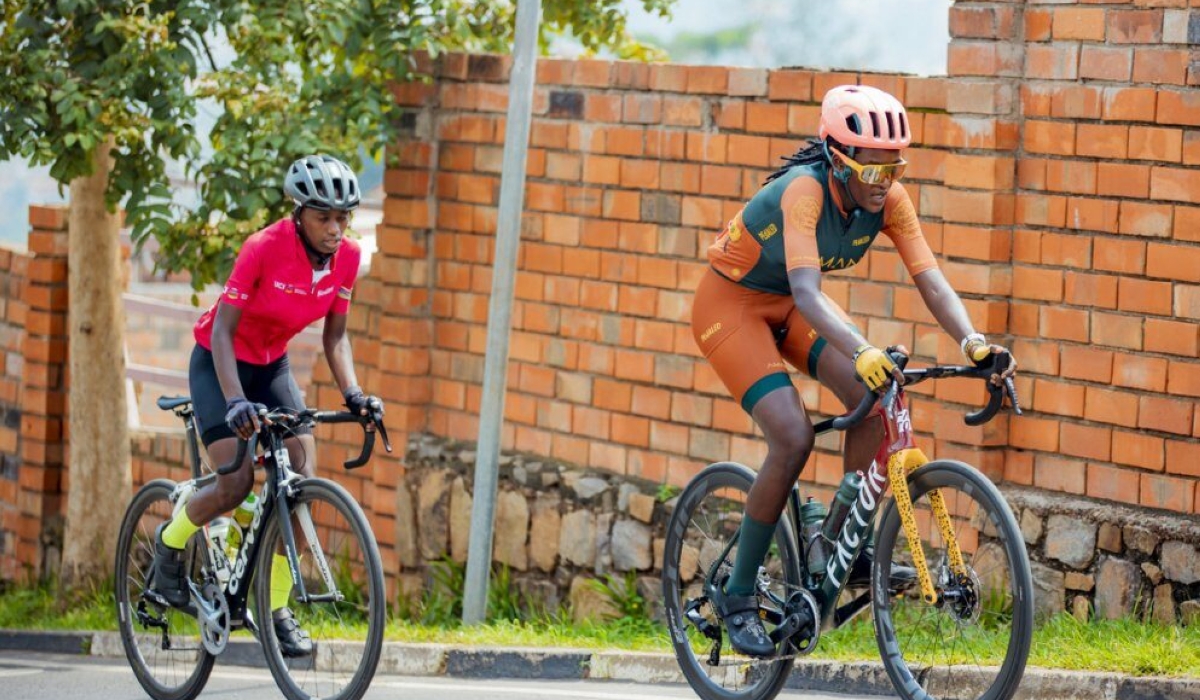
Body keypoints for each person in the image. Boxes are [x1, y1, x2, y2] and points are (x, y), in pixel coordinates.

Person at [690, 85, 1015, 657]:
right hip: (732, 306)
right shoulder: (804, 191)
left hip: (790, 307)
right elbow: (808, 291)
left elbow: (930, 278)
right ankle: (738, 595)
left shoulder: (891, 200)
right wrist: (863, 346)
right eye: (868, 169)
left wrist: (974, 342)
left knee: (876, 392)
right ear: (836, 160)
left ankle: (840, 539)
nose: (881, 181)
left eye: (891, 167)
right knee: (791, 437)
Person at [150, 154, 383, 658]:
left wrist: (355, 396)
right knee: (234, 482)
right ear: (298, 212)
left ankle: (275, 610)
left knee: (298, 481)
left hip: (272, 365)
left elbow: (336, 336)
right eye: (324, 216)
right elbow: (223, 330)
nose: (336, 228)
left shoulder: (346, 258)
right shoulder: (262, 248)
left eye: (344, 217)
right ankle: (169, 542)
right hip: (220, 362)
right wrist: (235, 402)